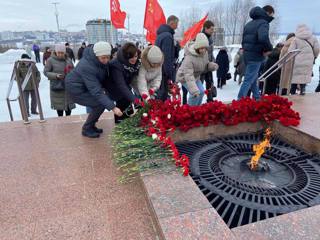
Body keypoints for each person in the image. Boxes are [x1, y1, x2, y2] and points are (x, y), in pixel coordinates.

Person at [66, 41, 122, 138]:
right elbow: (96, 91)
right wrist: (113, 107)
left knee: (100, 103)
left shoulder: (97, 61)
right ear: (96, 55)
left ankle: (91, 126)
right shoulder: (87, 66)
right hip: (76, 89)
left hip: (85, 87)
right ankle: (87, 128)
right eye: (103, 58)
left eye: (108, 57)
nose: (106, 60)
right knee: (99, 103)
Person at [237, 5, 274, 100]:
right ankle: (239, 101)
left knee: (253, 79)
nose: (272, 17)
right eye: (272, 15)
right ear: (268, 13)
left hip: (247, 55)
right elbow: (263, 38)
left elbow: (243, 41)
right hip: (256, 56)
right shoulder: (264, 23)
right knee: (248, 80)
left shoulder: (249, 24)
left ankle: (257, 98)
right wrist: (269, 49)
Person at [176, 33, 219, 106]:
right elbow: (188, 76)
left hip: (195, 77)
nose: (203, 50)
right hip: (184, 77)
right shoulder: (189, 58)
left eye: (205, 48)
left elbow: (205, 65)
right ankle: (189, 111)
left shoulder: (204, 54)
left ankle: (196, 109)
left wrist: (211, 66)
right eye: (201, 48)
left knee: (201, 92)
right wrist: (194, 90)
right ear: (197, 47)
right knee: (194, 94)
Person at [106, 42, 141, 123]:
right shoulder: (116, 65)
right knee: (122, 107)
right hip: (114, 89)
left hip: (125, 87)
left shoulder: (135, 63)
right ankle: (119, 124)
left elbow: (135, 80)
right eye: (131, 57)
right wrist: (136, 101)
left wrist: (142, 93)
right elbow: (121, 85)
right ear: (125, 56)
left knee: (128, 106)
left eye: (135, 56)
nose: (134, 59)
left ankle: (126, 122)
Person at [44, 44, 75, 117]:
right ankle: (61, 123)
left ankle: (68, 122)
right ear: (55, 52)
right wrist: (55, 76)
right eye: (59, 52)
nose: (60, 54)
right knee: (59, 108)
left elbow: (73, 70)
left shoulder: (68, 60)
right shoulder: (50, 60)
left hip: (68, 87)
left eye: (62, 52)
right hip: (57, 87)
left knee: (68, 108)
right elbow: (46, 72)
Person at [288, 24, 320, 95]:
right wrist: (314, 56)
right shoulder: (313, 38)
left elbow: (290, 50)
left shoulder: (296, 39)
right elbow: (317, 49)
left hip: (297, 60)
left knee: (295, 76)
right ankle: (303, 90)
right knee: (305, 75)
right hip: (308, 60)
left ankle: (293, 91)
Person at [155, 15, 179, 101]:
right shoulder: (168, 36)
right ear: (172, 23)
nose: (177, 26)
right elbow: (167, 57)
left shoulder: (161, 35)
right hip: (164, 73)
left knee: (160, 96)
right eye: (177, 24)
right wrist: (170, 75)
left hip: (158, 70)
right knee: (162, 97)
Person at [199, 20, 216, 102]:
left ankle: (210, 100)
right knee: (200, 86)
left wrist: (213, 60)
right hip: (201, 66)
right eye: (211, 29)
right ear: (206, 28)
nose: (213, 31)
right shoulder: (200, 37)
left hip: (208, 65)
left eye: (213, 29)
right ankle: (196, 102)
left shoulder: (210, 38)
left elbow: (210, 52)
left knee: (209, 83)